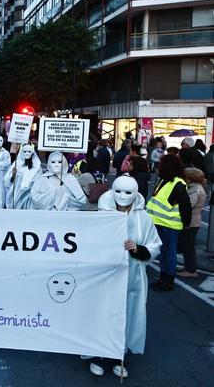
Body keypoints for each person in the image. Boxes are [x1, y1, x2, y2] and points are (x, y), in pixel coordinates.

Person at [89, 175, 161, 378]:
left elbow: (155, 245)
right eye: (118, 191)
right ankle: (99, 353)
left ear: (136, 194)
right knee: (103, 312)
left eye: (128, 192)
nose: (122, 196)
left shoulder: (143, 218)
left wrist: (138, 249)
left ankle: (119, 356)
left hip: (132, 277)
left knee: (127, 315)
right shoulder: (102, 216)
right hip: (106, 275)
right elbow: (90, 242)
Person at [147, 154, 191, 291]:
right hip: (160, 222)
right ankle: (163, 277)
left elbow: (185, 205)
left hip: (170, 224)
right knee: (163, 251)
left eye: (161, 163)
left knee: (169, 252)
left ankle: (168, 280)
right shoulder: (165, 180)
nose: (158, 165)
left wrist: (186, 223)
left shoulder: (178, 183)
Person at [177, 168, 206, 278]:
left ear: (190, 178)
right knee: (187, 246)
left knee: (188, 246)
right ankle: (188, 266)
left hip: (191, 222)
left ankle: (191, 270)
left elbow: (189, 204)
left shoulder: (195, 189)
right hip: (193, 221)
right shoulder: (195, 187)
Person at [4, 144, 41, 210]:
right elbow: (8, 181)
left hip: (29, 196)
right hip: (17, 194)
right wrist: (13, 174)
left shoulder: (37, 166)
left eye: (29, 152)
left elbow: (40, 181)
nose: (27, 154)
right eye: (25, 151)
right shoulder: (16, 164)